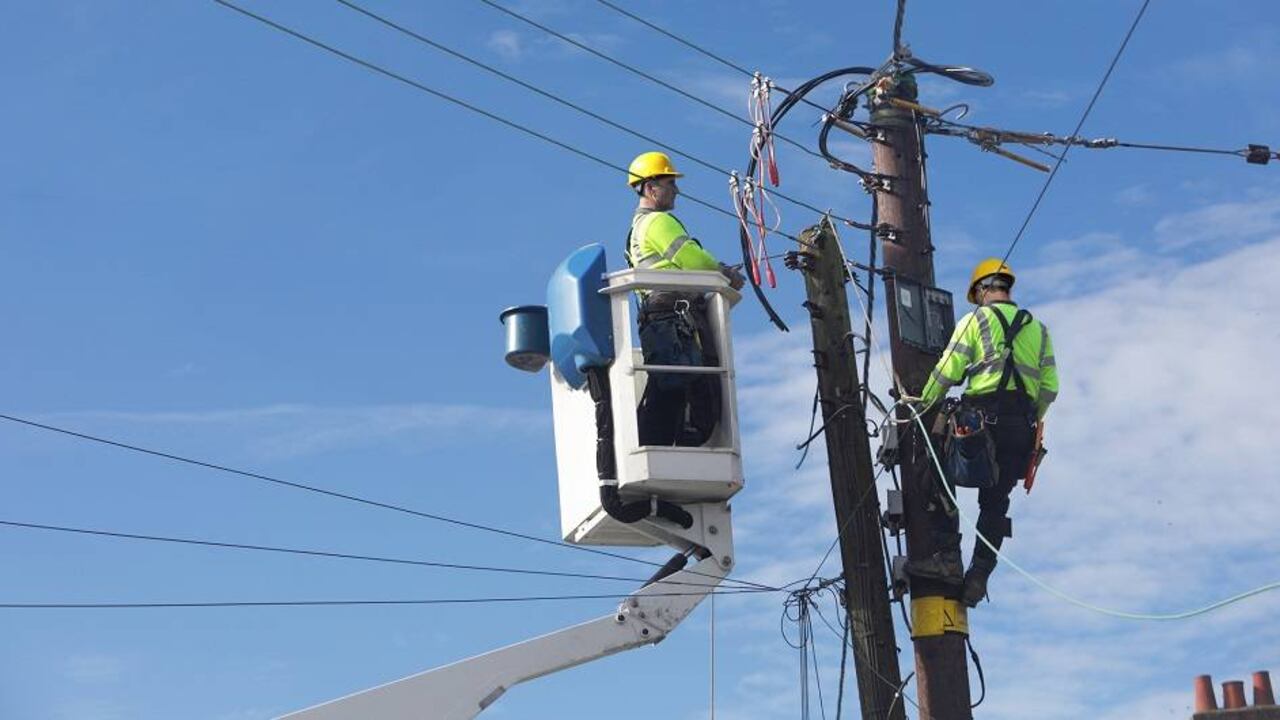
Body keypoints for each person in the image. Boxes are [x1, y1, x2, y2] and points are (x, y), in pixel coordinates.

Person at [917, 258, 1059, 607]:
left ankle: (948, 556)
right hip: (1021, 431)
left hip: (978, 425)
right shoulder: (1038, 329)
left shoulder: (975, 320)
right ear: (1007, 288)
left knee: (934, 465)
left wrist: (921, 405)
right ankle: (979, 573)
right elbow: (1050, 387)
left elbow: (947, 371)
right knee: (995, 502)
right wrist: (1030, 417)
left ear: (981, 290)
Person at [624, 151, 744, 446]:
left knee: (670, 389)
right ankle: (671, 446)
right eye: (670, 183)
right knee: (693, 390)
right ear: (651, 188)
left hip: (660, 319)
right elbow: (693, 260)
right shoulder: (658, 222)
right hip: (674, 318)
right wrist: (724, 273)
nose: (676, 190)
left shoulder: (636, 229)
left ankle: (659, 447)